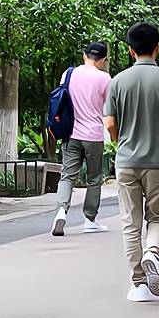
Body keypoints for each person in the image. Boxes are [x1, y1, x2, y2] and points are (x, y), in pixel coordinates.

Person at [104, 22, 159, 303]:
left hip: (126, 161)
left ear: (130, 50)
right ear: (157, 47)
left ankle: (139, 283)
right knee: (157, 217)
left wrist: (119, 143)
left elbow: (110, 122)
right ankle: (153, 252)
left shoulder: (117, 81)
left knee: (130, 222)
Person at [52, 43, 112, 237]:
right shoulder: (104, 78)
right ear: (103, 60)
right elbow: (108, 108)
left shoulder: (69, 74)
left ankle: (61, 211)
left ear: (84, 55)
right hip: (93, 135)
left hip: (71, 133)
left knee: (67, 175)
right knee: (94, 179)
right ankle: (90, 219)